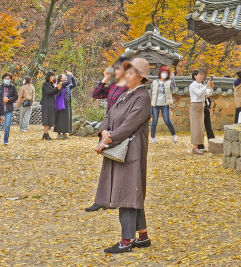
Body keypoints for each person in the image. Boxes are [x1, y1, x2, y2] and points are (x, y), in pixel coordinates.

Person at [92, 57, 154, 254]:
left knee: (127, 192)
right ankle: (142, 236)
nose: (125, 75)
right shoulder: (126, 94)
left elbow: (129, 126)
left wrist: (107, 141)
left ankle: (126, 241)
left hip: (131, 151)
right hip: (120, 148)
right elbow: (109, 114)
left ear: (140, 77)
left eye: (130, 72)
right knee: (131, 191)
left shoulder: (142, 97)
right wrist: (104, 131)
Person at [187, 69, 213, 154]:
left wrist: (210, 87)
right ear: (195, 76)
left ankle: (197, 146)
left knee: (201, 127)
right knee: (196, 127)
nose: (202, 77)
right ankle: (195, 147)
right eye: (200, 75)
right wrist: (206, 85)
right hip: (195, 106)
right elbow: (198, 93)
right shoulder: (192, 85)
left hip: (202, 106)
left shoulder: (201, 85)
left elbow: (208, 94)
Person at [149, 66, 176, 141]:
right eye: (163, 72)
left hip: (164, 104)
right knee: (154, 121)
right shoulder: (154, 82)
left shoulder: (168, 82)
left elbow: (173, 88)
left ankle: (174, 135)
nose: (164, 74)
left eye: (166, 73)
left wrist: (172, 78)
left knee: (167, 121)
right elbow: (151, 93)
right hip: (155, 104)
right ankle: (153, 137)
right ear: (160, 73)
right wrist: (150, 103)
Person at [54, 71, 78, 138]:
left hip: (67, 103)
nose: (65, 76)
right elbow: (67, 82)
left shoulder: (67, 86)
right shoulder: (61, 84)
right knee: (60, 118)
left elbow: (74, 84)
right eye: (63, 76)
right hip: (61, 103)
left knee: (66, 119)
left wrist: (72, 77)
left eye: (65, 76)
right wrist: (69, 75)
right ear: (60, 79)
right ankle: (59, 133)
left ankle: (64, 133)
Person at [0, 73, 18, 145]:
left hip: (9, 108)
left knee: (7, 125)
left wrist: (9, 99)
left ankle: (6, 139)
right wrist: (2, 99)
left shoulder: (13, 87)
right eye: (5, 78)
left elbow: (16, 96)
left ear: (11, 79)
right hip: (0, 109)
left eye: (8, 78)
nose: (7, 80)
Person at [40, 71, 59, 140]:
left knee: (50, 118)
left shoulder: (51, 84)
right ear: (49, 77)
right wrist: (55, 88)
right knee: (46, 118)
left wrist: (56, 87)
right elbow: (49, 92)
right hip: (46, 103)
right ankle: (46, 133)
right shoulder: (45, 84)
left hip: (51, 103)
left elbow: (55, 92)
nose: (53, 78)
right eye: (52, 76)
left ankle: (46, 133)